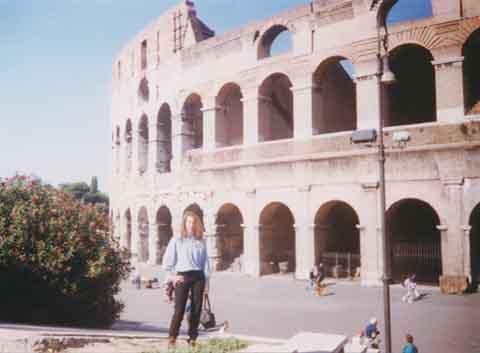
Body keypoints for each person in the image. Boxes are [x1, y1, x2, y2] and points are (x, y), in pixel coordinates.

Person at [162, 211, 210, 349]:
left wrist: (207, 284)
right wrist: (172, 277)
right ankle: (172, 337)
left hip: (198, 277)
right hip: (182, 276)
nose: (191, 224)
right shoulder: (177, 240)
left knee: (196, 310)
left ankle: (193, 338)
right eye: (189, 222)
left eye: (194, 222)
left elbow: (206, 264)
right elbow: (167, 263)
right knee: (179, 310)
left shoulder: (201, 240)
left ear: (197, 224)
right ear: (184, 223)